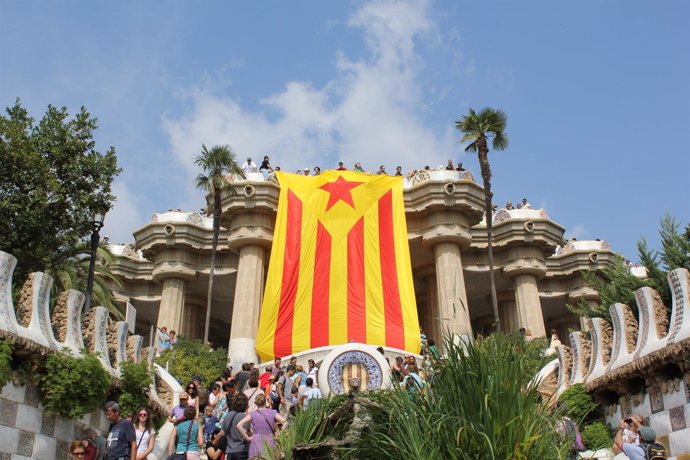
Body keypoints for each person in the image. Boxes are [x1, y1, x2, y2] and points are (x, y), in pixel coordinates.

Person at [236, 393, 287, 459]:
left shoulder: (252, 414)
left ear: (256, 403)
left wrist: (247, 438)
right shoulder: (272, 412)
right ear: (265, 402)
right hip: (270, 440)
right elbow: (285, 422)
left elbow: (238, 425)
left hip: (256, 441)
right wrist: (279, 434)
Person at [220, 394, 250, 460]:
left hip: (229, 451)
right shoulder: (244, 417)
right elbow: (247, 434)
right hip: (242, 450)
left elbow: (222, 433)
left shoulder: (228, 415)